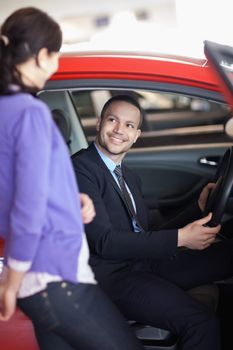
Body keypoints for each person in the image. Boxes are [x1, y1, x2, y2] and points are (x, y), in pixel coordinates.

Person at [0, 9, 143, 350]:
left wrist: (66, 202)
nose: (56, 65)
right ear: (44, 55)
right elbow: (28, 203)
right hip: (53, 276)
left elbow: (15, 186)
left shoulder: (6, 110)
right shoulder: (30, 111)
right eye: (56, 55)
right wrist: (12, 278)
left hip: (39, 283)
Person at [72, 94, 233, 350]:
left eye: (128, 125)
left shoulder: (129, 177)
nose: (119, 130)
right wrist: (182, 239)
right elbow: (104, 242)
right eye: (112, 120)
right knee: (203, 324)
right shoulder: (80, 170)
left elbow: (144, 234)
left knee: (228, 254)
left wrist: (196, 209)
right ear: (99, 123)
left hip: (144, 262)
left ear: (136, 135)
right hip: (113, 278)